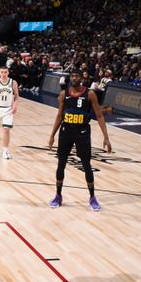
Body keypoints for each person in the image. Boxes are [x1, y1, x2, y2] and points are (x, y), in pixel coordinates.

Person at [47, 69, 112, 211]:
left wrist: (106, 138)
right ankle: (58, 196)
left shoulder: (90, 94)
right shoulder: (64, 94)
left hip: (82, 133)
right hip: (66, 132)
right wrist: (52, 135)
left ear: (81, 78)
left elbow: (100, 116)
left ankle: (92, 197)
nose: (74, 78)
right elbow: (59, 116)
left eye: (76, 76)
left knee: (86, 165)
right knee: (61, 164)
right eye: (72, 76)